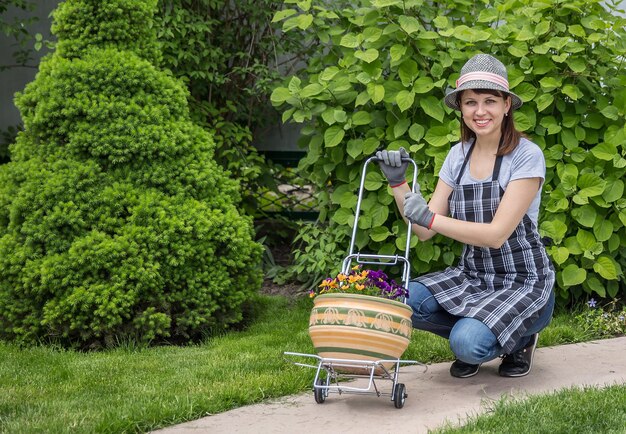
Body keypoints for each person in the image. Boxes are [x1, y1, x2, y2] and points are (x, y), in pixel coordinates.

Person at [376, 54, 555, 378]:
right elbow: (423, 232)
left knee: (467, 343)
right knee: (402, 300)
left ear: (506, 106)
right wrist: (398, 184)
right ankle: (484, 325)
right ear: (460, 107)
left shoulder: (526, 156)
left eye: (489, 100)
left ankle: (518, 339)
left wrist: (429, 218)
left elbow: (496, 234)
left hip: (522, 280)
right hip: (473, 275)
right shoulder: (457, 156)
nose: (480, 111)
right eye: (471, 102)